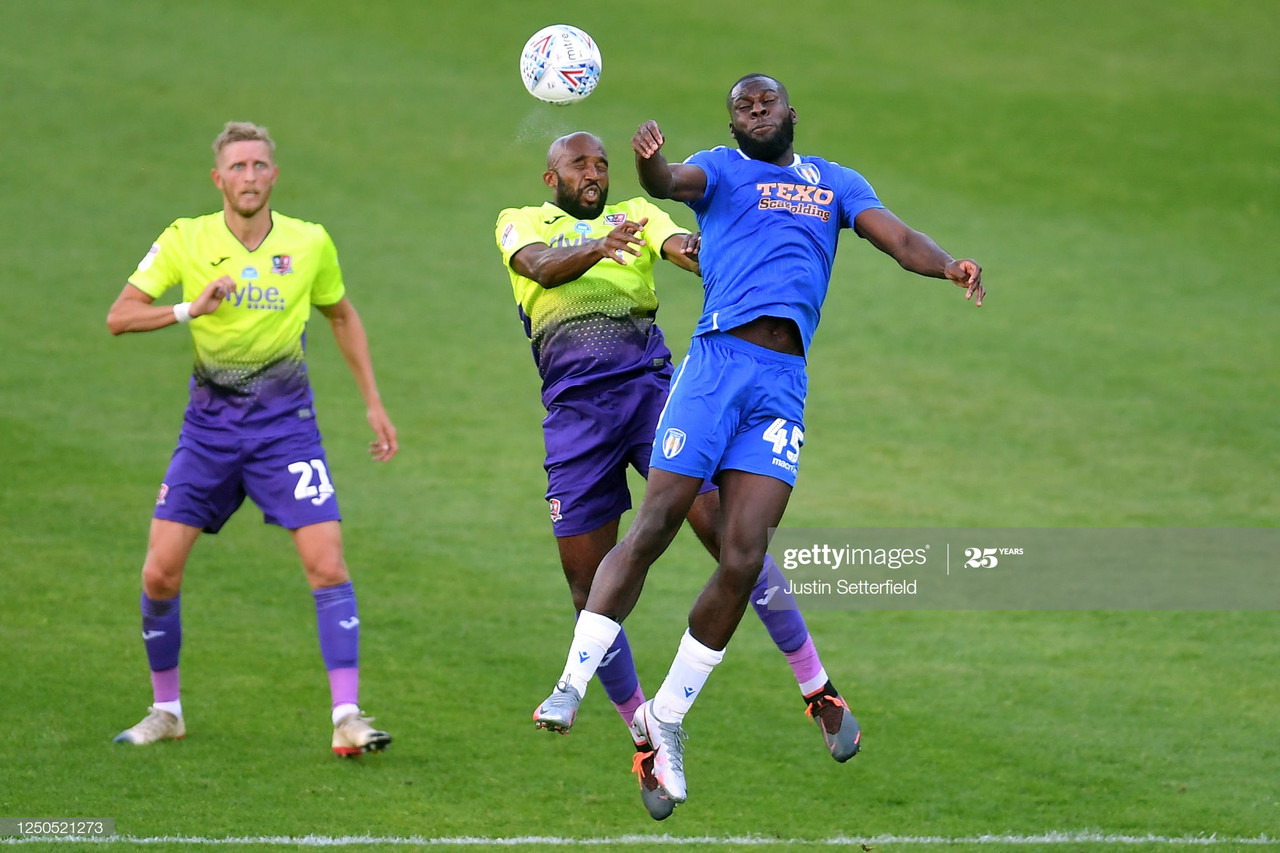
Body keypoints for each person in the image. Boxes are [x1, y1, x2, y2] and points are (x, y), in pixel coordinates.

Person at [534, 76, 985, 810]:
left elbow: (898, 238)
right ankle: (570, 684)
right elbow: (669, 180)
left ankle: (668, 718)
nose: (756, 112)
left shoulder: (833, 182)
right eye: (743, 106)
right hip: (714, 369)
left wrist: (948, 265)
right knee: (653, 526)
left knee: (744, 555)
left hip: (781, 385)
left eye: (765, 102)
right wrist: (650, 163)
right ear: (734, 124)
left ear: (789, 113)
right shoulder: (719, 168)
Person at [500, 132, 859, 821]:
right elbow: (541, 268)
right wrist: (599, 247)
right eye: (580, 163)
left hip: (653, 396)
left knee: (733, 539)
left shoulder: (639, 211)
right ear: (551, 175)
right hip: (575, 418)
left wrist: (724, 251)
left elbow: (681, 247)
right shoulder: (520, 221)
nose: (594, 172)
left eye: (602, 162)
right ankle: (646, 737)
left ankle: (817, 687)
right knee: (588, 583)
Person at [107, 121, 399, 757]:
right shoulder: (185, 240)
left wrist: (373, 403)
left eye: (259, 165)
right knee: (159, 572)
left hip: (286, 435)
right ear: (218, 178)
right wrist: (189, 309)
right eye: (237, 167)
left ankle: (347, 717)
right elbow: (120, 316)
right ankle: (167, 710)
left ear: (274, 175)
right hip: (207, 435)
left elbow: (341, 314)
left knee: (328, 564)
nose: (249, 176)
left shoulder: (310, 242)